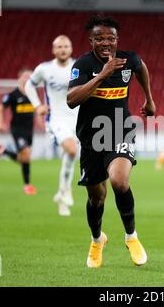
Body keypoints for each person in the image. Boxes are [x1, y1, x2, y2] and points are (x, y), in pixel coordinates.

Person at [67, 16, 156, 268]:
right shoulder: (83, 65)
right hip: (91, 137)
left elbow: (142, 67)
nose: (106, 43)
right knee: (97, 197)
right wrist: (102, 75)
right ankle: (97, 240)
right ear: (91, 41)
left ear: (117, 40)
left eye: (111, 38)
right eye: (100, 38)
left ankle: (131, 237)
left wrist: (149, 99)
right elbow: (72, 100)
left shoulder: (129, 60)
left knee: (119, 180)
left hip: (120, 128)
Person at [24, 35, 79, 216]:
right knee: (71, 150)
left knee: (72, 156)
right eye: (59, 46)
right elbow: (29, 86)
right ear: (53, 50)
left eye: (66, 46)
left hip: (79, 119)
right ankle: (65, 190)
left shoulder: (80, 66)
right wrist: (37, 105)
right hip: (57, 119)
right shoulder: (45, 69)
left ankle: (62, 194)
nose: (62, 49)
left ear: (71, 49)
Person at [0, 68, 40, 195]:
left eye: (30, 77)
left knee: (24, 158)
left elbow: (38, 111)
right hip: (17, 130)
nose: (27, 79)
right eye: (25, 76)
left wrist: (42, 123)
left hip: (29, 131)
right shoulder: (13, 95)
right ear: (19, 79)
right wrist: (0, 123)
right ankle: (27, 186)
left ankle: (4, 151)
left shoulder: (33, 94)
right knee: (26, 155)